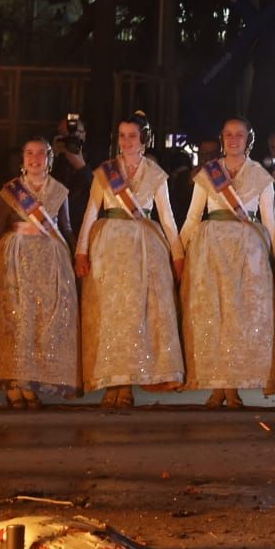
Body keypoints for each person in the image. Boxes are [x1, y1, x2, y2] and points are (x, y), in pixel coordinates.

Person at [74, 112, 186, 408]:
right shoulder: (105, 172)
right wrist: (81, 251)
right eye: (122, 136)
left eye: (132, 136)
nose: (126, 141)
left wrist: (177, 254)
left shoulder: (156, 174)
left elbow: (168, 218)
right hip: (108, 248)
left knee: (138, 317)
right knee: (111, 316)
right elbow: (90, 212)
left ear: (144, 139)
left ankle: (129, 384)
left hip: (145, 250)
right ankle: (113, 382)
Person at [180, 117, 275, 408]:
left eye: (239, 134)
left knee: (239, 320)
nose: (233, 139)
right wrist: (176, 251)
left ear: (249, 139)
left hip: (248, 255)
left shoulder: (261, 175)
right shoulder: (209, 174)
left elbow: (270, 223)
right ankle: (216, 386)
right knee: (213, 317)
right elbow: (192, 217)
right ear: (222, 138)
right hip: (210, 251)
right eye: (228, 134)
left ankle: (233, 386)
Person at [0, 136, 80, 409]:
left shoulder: (60, 191)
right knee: (15, 322)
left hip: (50, 263)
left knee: (40, 324)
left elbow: (66, 227)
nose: (35, 159)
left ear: (49, 159)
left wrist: (77, 256)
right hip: (15, 261)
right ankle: (14, 386)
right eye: (29, 153)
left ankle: (30, 382)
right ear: (22, 159)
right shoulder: (11, 190)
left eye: (41, 154)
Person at [53, 115, 93, 236]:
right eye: (66, 133)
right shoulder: (51, 161)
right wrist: (53, 156)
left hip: (85, 226)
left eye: (77, 133)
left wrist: (82, 168)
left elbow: (98, 194)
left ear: (84, 135)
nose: (72, 137)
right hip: (56, 229)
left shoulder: (95, 160)